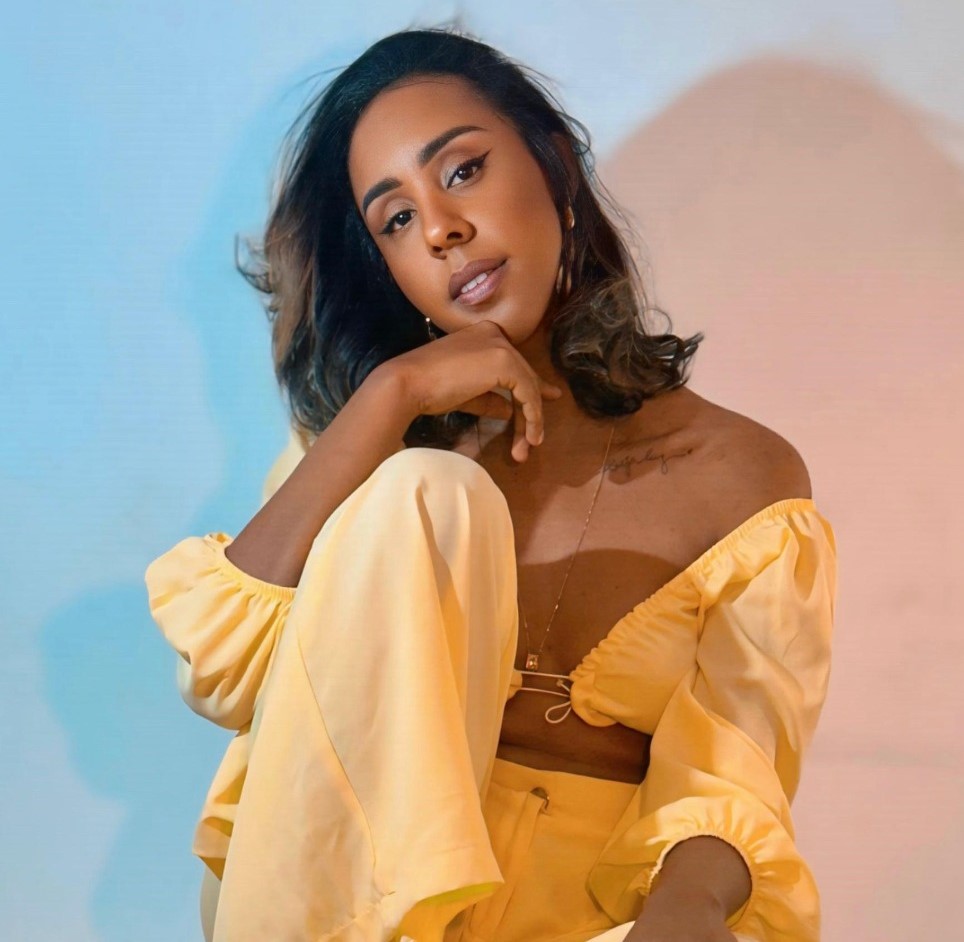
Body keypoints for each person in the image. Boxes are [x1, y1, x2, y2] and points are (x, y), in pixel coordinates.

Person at [144, 25, 837, 942]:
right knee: (429, 490)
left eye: (463, 171)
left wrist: (686, 915)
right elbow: (221, 674)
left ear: (554, 164)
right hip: (333, 908)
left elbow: (735, 773)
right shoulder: (370, 457)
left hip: (591, 920)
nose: (441, 229)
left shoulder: (742, 477)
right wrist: (391, 396)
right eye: (396, 220)